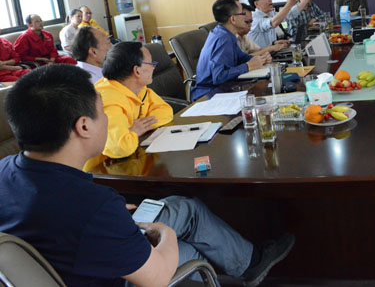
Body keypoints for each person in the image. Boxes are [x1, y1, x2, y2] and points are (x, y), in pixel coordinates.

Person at [0, 65, 294, 287]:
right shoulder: (93, 206)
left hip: (76, 254)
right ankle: (231, 270)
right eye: (102, 112)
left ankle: (249, 263)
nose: (108, 120)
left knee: (185, 208)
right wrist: (166, 234)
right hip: (115, 275)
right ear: (84, 126)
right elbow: (157, 277)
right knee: (186, 249)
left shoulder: (5, 170)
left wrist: (113, 217)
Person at [84, 42, 173, 170]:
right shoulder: (107, 99)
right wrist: (135, 131)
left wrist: (140, 127)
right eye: (151, 64)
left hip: (133, 159)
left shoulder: (138, 89)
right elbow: (120, 147)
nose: (154, 68)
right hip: (104, 171)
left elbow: (165, 111)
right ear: (137, 71)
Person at [192, 0, 272, 101]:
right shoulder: (223, 39)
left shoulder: (226, 34)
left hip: (224, 89)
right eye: (242, 13)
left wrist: (260, 59)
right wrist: (248, 66)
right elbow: (219, 76)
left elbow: (241, 57)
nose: (245, 16)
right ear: (233, 19)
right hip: (209, 95)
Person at [249, 0, 315, 48]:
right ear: (256, 4)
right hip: (260, 55)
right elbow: (273, 23)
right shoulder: (252, 18)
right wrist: (289, 4)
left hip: (273, 52)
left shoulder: (271, 13)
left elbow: (290, 14)